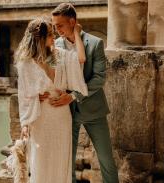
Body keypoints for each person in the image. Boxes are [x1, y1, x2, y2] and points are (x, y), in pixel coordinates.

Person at [50, 3, 119, 183]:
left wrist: (73, 96)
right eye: (54, 26)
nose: (56, 30)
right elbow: (53, 75)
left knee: (106, 160)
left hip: (94, 111)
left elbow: (99, 78)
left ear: (72, 21)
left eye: (60, 25)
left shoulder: (95, 43)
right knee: (67, 163)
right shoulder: (55, 45)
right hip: (66, 113)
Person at [15, 17, 88, 183]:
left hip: (61, 117)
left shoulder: (59, 55)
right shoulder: (25, 63)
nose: (54, 37)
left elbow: (81, 59)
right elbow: (24, 95)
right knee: (40, 161)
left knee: (61, 161)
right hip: (40, 118)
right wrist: (25, 123)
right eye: (49, 34)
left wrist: (76, 32)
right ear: (39, 38)